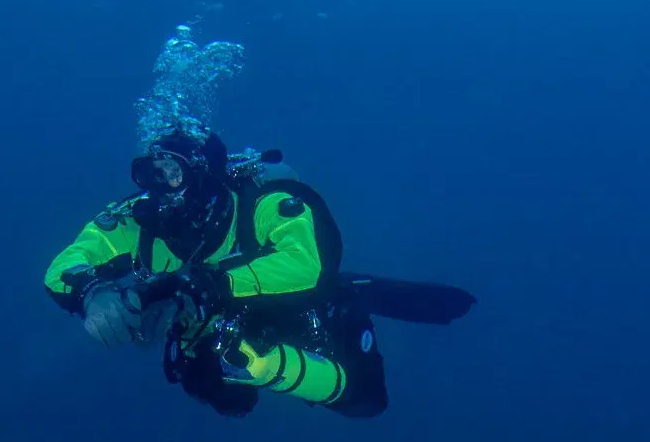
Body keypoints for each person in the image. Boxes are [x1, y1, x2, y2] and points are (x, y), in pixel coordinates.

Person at [44, 128, 474, 418]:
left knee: (363, 397)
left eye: (173, 173)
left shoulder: (267, 203)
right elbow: (68, 262)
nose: (159, 187)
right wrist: (91, 291)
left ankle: (362, 295)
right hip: (211, 314)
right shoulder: (133, 218)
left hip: (288, 298)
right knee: (225, 397)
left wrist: (212, 282)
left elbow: (308, 263)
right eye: (149, 174)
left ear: (205, 176)